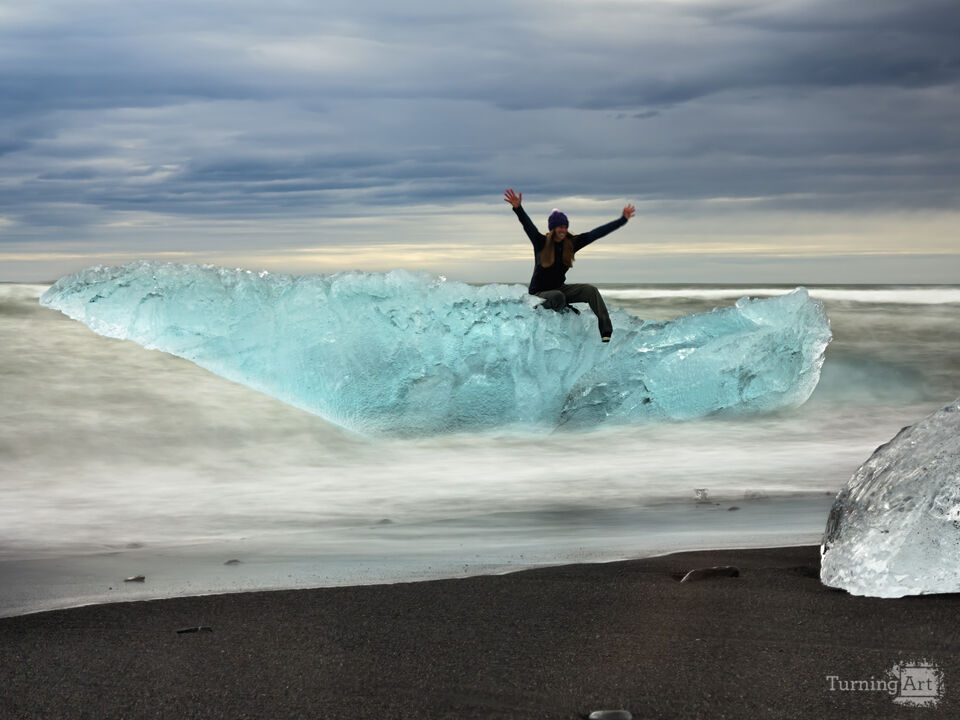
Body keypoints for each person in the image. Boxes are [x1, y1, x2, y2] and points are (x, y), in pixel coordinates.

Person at [504, 188, 636, 342]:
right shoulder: (541, 243)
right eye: (560, 227)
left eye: (565, 227)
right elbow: (528, 226)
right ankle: (566, 310)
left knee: (590, 290)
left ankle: (606, 332)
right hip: (539, 294)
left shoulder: (571, 245)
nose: (563, 230)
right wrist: (518, 208)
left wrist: (622, 220)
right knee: (557, 296)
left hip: (560, 289)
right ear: (553, 228)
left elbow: (596, 233)